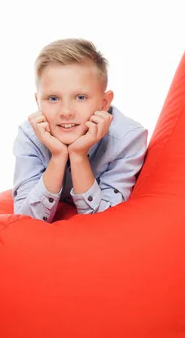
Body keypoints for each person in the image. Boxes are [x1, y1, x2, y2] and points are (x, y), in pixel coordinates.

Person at [12, 39, 148, 222]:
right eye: (52, 98)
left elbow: (105, 222)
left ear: (104, 103)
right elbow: (26, 220)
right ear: (38, 101)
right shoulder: (30, 135)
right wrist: (58, 156)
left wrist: (78, 155)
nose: (66, 111)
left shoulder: (128, 139)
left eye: (81, 97)